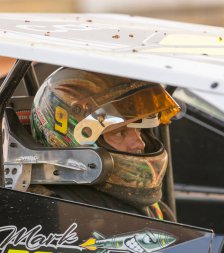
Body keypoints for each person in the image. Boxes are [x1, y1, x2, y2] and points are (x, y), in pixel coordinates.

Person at [30, 67, 180, 221]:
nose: (139, 144)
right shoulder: (56, 209)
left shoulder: (154, 208)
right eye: (120, 133)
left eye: (139, 130)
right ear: (72, 141)